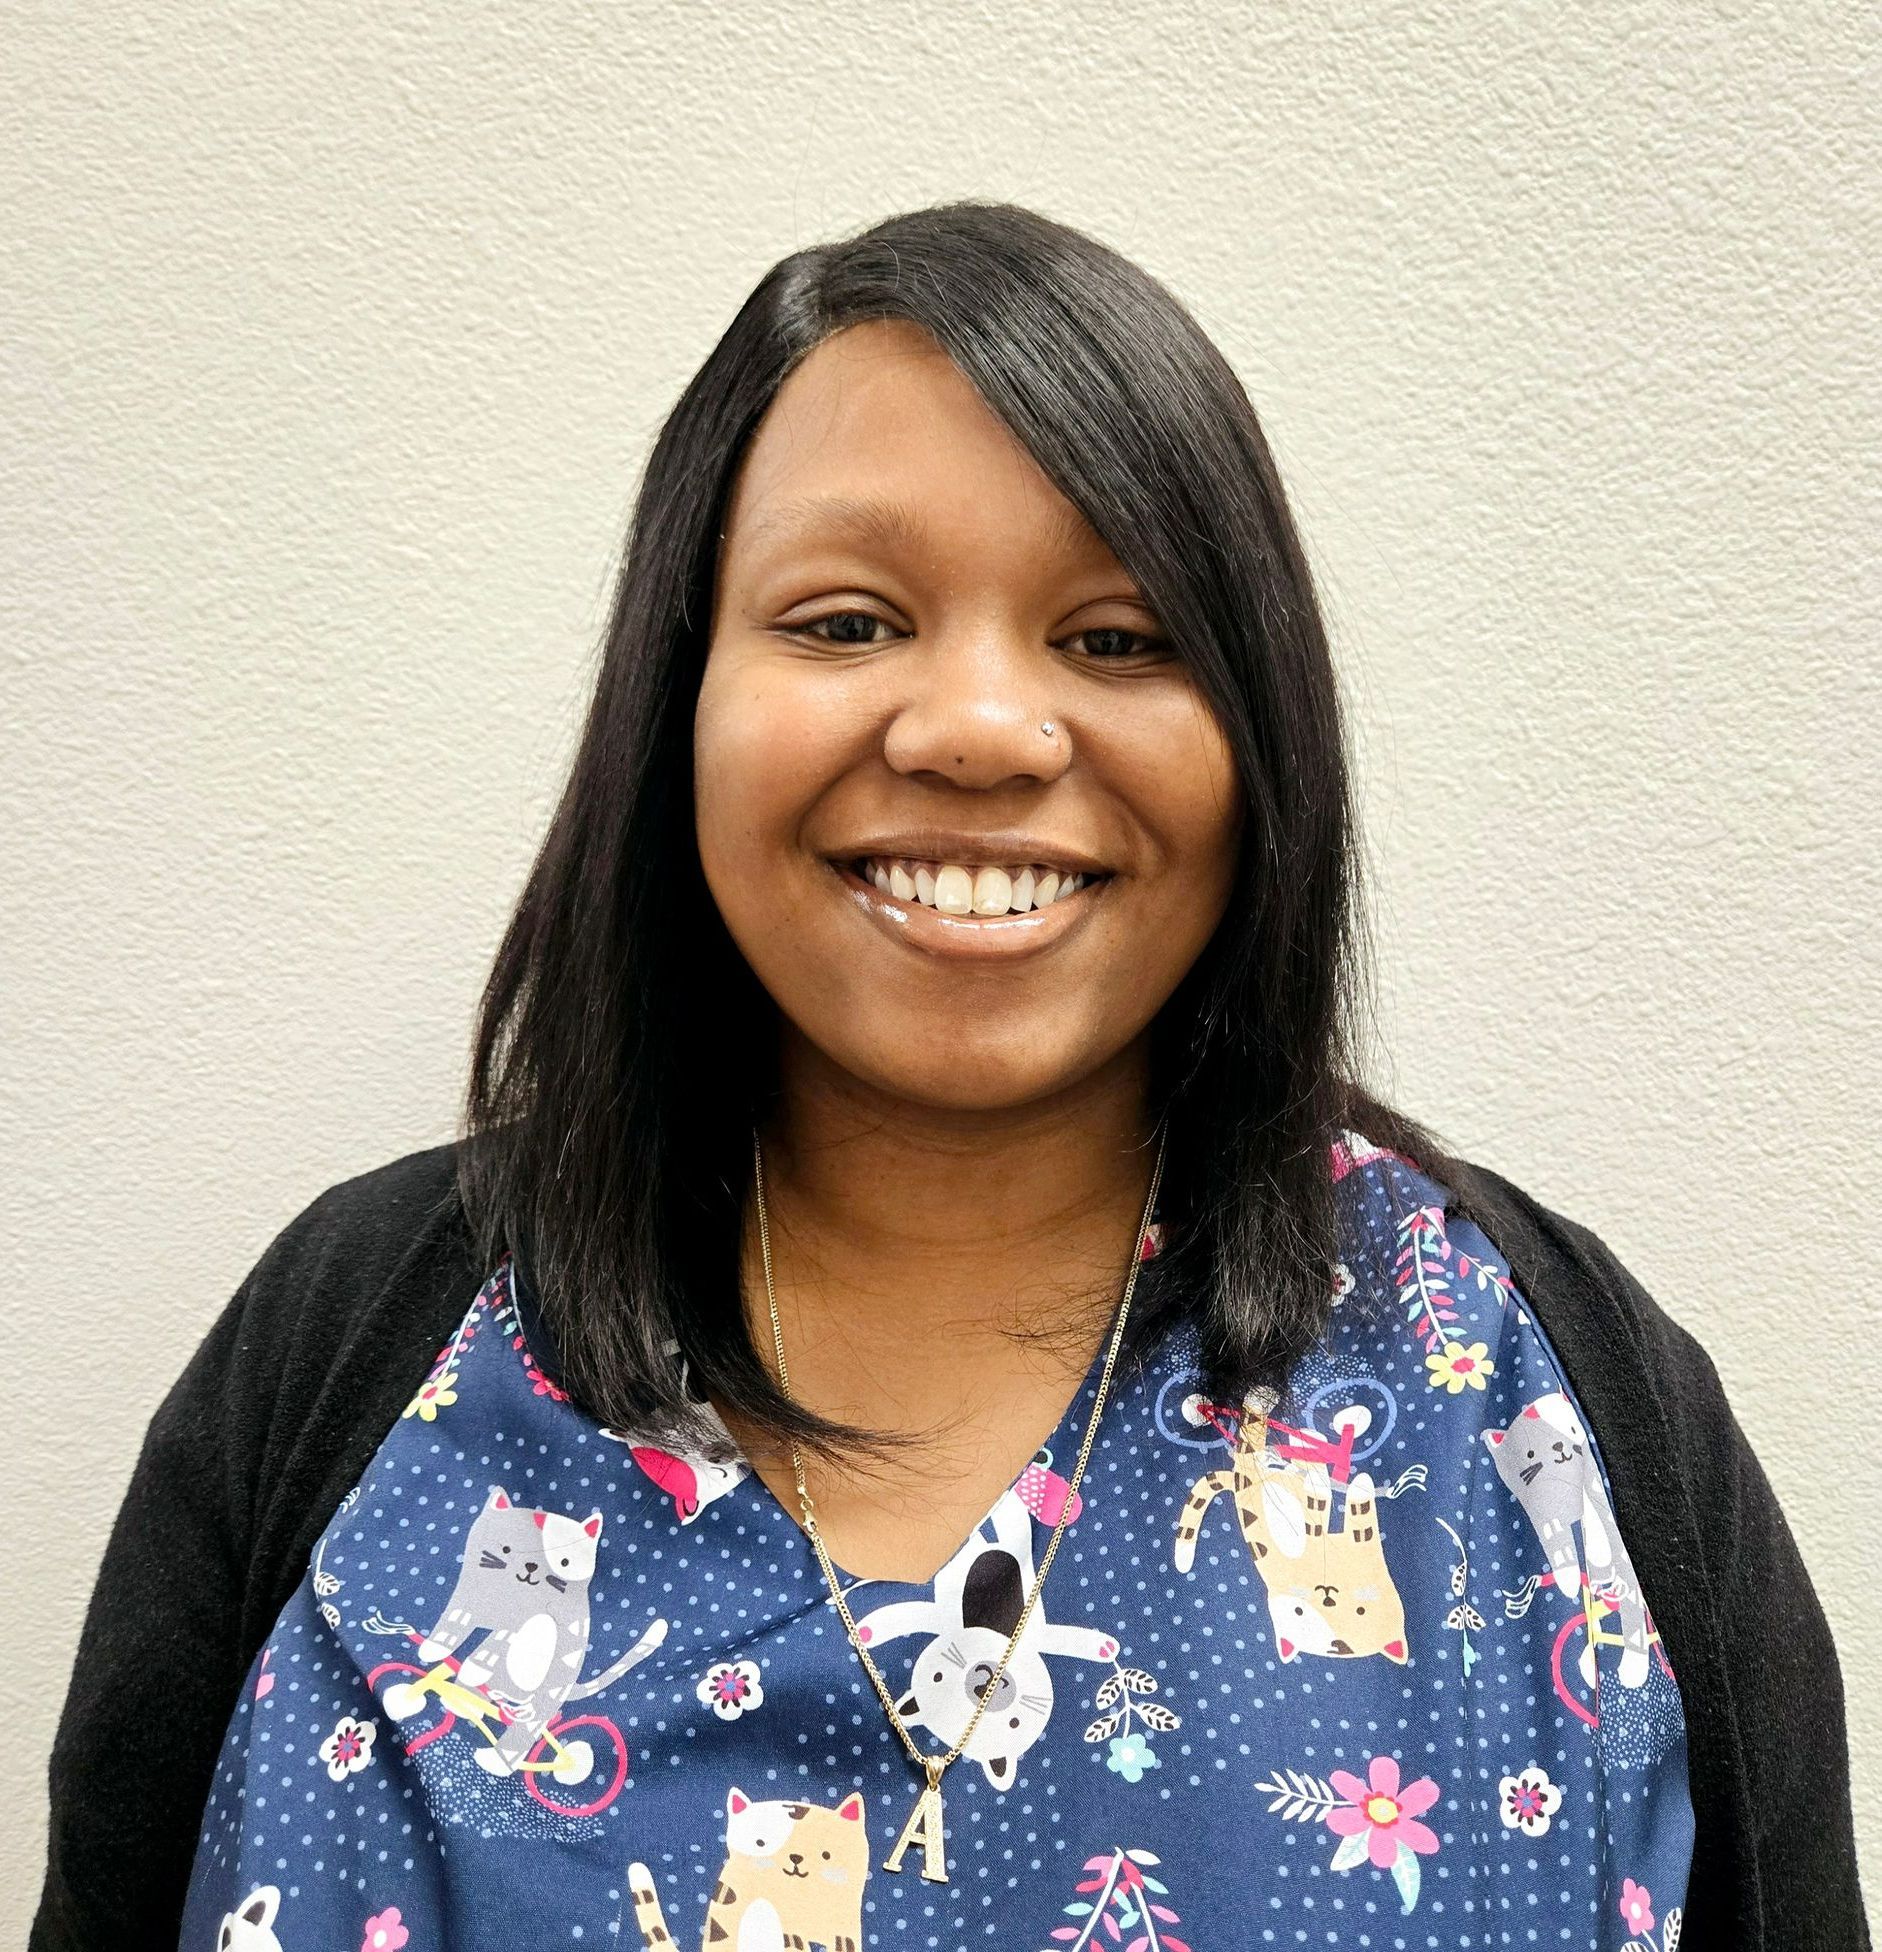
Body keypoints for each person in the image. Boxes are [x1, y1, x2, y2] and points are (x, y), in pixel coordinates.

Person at [32, 201, 1866, 1952]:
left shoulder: (1541, 1402)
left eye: (1120, 637)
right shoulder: (353, 1349)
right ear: (678, 695)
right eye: (844, 621)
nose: (982, 730)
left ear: (1261, 733)